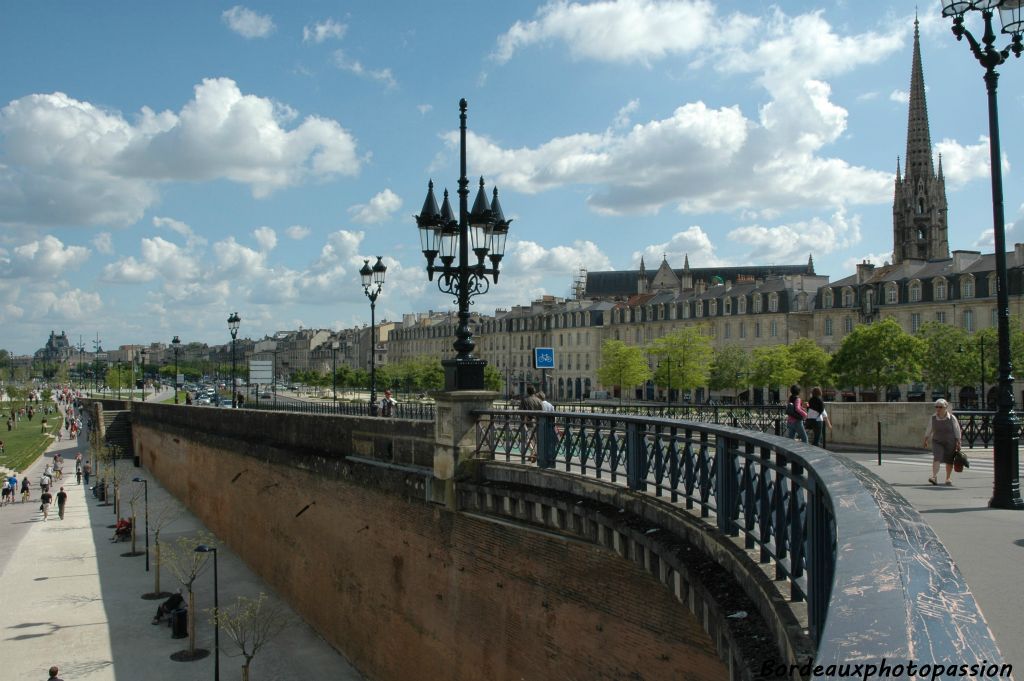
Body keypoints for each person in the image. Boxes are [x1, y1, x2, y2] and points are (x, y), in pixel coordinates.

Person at [924, 398, 961, 486]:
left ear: (946, 407)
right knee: (937, 457)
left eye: (940, 407)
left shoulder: (952, 418)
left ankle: (948, 478)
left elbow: (957, 430)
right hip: (937, 441)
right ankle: (934, 477)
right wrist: (925, 439)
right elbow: (929, 429)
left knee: (949, 460)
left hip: (950, 441)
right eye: (936, 407)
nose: (938, 409)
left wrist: (958, 442)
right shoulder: (933, 417)